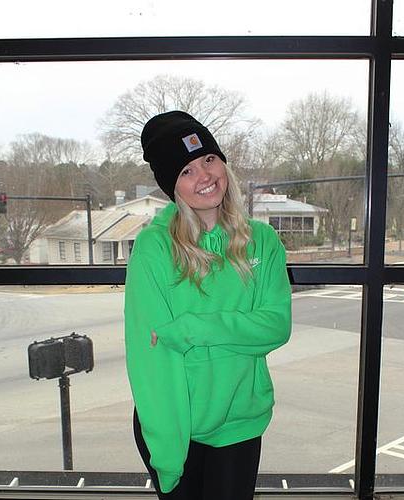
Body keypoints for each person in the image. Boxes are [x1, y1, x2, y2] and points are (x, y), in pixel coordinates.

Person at [124, 110, 292, 499]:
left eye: (209, 159)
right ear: (172, 186)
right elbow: (150, 358)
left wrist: (190, 329)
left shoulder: (263, 241)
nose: (204, 176)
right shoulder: (154, 247)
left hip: (240, 422)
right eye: (186, 171)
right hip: (175, 423)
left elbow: (275, 326)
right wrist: (168, 449)